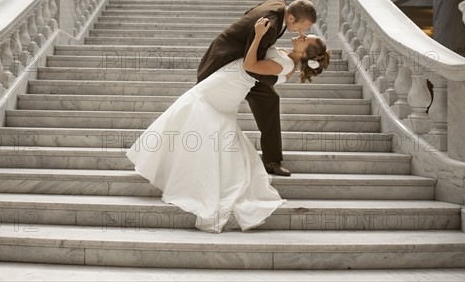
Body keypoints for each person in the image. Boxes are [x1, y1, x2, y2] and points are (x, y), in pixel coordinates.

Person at [126, 18, 331, 233]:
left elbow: (250, 65)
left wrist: (259, 34)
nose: (301, 35)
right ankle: (174, 169)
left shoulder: (287, 64)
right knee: (194, 114)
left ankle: (190, 180)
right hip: (226, 81)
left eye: (305, 38)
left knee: (198, 111)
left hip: (229, 85)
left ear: (305, 52)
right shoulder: (288, 58)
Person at [197, 0, 317, 176]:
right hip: (223, 65)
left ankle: (271, 160)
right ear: (291, 18)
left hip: (233, 58)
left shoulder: (278, 4)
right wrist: (277, 78)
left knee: (270, 98)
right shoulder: (271, 25)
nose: (302, 32)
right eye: (303, 27)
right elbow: (251, 67)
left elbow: (250, 14)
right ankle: (205, 157)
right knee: (210, 113)